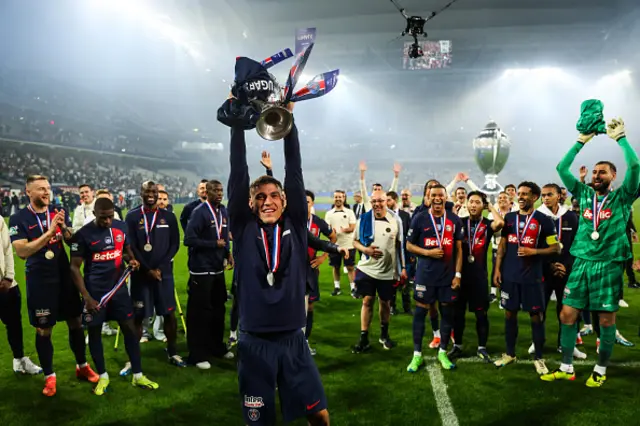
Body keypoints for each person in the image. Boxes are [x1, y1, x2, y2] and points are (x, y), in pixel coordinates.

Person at [228, 113, 329, 425]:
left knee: (319, 416)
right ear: (250, 203)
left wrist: (289, 122)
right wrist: (236, 124)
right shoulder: (243, 228)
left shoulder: (296, 225)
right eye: (259, 197)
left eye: (274, 196)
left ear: (285, 201)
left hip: (293, 341)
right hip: (254, 342)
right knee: (260, 422)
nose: (267, 201)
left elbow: (294, 168)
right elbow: (238, 170)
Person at [542, 118, 639, 387]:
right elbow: (562, 167)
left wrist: (620, 138)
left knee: (606, 320)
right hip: (582, 262)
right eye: (595, 172)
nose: (596, 176)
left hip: (607, 264)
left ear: (613, 177)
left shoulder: (623, 196)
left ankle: (600, 368)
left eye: (602, 173)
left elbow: (635, 165)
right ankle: (566, 367)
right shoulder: (583, 194)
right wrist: (581, 141)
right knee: (567, 315)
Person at [9, 175, 98, 397]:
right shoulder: (18, 218)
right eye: (41, 189)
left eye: (47, 188)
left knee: (76, 322)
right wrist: (49, 232)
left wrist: (66, 231)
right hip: (40, 281)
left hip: (64, 277)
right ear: (28, 192)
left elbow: (69, 240)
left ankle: (82, 366)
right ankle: (50, 376)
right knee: (44, 329)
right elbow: (22, 252)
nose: (46, 192)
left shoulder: (57, 212)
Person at [70, 198, 159, 395]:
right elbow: (74, 268)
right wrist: (86, 297)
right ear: (94, 213)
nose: (107, 221)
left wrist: (133, 261)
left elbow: (127, 252)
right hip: (95, 295)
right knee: (94, 333)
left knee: (129, 329)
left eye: (110, 217)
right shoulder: (83, 235)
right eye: (103, 218)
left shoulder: (121, 227)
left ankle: (138, 374)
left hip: (119, 291)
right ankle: (103, 376)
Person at [493, 181, 560, 375]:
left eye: (525, 194)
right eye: (519, 194)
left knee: (536, 316)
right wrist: (497, 270)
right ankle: (509, 354)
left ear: (535, 197)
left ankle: (539, 358)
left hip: (533, 277)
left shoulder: (544, 220)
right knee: (509, 313)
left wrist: (534, 251)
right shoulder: (510, 218)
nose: (521, 197)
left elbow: (555, 248)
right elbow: (503, 246)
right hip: (510, 276)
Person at [124, 181, 184, 372]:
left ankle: (173, 351)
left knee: (168, 313)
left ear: (159, 194)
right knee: (138, 316)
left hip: (163, 274)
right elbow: (130, 246)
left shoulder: (169, 217)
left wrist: (160, 266)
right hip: (142, 275)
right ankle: (133, 358)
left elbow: (175, 244)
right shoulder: (132, 216)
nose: (151, 194)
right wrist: (148, 268)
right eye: (147, 191)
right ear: (140, 193)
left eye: (154, 191)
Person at [406, 184, 463, 372]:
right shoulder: (420, 218)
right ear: (428, 197)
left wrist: (458, 274)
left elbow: (459, 250)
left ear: (446, 197)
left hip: (447, 277)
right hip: (425, 275)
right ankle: (417, 355)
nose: (437, 198)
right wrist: (427, 252)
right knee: (420, 313)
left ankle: (443, 352)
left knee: (447, 314)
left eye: (441, 195)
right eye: (433, 195)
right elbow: (409, 246)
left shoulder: (454, 220)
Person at [184, 179, 235, 369]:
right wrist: (214, 244)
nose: (219, 193)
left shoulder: (223, 211)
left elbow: (225, 234)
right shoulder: (199, 212)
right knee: (200, 313)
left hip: (217, 268)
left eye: (221, 190)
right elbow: (189, 239)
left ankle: (216, 347)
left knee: (218, 309)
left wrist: (228, 253)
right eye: (215, 190)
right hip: (201, 270)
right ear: (207, 192)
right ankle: (197, 354)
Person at [450, 191, 504, 362]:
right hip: (460, 275)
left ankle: (482, 347)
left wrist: (491, 207)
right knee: (458, 313)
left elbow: (500, 222)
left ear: (483, 205)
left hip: (479, 277)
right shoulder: (460, 222)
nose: (473, 205)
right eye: (470, 202)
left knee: (481, 314)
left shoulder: (488, 225)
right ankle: (457, 345)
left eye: (477, 202)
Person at [352, 189, 406, 353]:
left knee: (385, 303)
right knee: (367, 301)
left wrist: (402, 268)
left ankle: (384, 335)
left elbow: (400, 246)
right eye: (374, 201)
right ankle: (363, 337)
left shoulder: (395, 220)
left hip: (387, 271)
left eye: (380, 201)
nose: (377, 204)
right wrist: (366, 250)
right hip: (367, 268)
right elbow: (354, 242)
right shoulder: (364, 219)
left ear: (386, 201)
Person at [534, 183, 584, 359]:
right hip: (543, 271)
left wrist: (567, 266)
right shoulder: (537, 216)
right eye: (543, 195)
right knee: (539, 308)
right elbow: (534, 245)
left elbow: (577, 245)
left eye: (549, 195)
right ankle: (537, 341)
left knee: (567, 310)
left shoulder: (570, 216)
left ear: (559, 196)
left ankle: (566, 343)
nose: (545, 198)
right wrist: (550, 265)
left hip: (566, 271)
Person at [1, 211, 42, 375]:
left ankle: (19, 359)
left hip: (5, 285)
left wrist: (9, 277)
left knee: (14, 325)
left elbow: (6, 250)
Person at [304, 190, 336, 355]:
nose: (305, 204)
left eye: (308, 201)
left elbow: (333, 237)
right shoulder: (291, 220)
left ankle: (305, 342)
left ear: (312, 204)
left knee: (309, 306)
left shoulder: (317, 222)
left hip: (310, 268)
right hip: (293, 270)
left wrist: (324, 257)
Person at [324, 190, 357, 297]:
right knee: (336, 266)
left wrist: (344, 230)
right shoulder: (329, 214)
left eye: (340, 197)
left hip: (348, 244)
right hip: (334, 245)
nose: (338, 199)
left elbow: (353, 227)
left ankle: (353, 288)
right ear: (333, 199)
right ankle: (337, 287)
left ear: (344, 198)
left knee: (350, 267)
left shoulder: (349, 212)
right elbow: (327, 229)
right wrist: (331, 232)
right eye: (336, 197)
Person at [386, 191, 412, 315]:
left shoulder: (405, 216)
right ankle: (392, 306)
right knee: (392, 281)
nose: (386, 203)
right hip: (390, 254)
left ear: (395, 200)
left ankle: (407, 308)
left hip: (405, 253)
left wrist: (411, 255)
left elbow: (411, 236)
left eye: (389, 200)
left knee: (406, 281)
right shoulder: (385, 216)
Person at [488, 191, 511, 304]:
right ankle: (493, 293)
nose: (502, 199)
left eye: (505, 198)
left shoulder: (514, 214)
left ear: (509, 201)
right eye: (500, 198)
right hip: (497, 247)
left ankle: (504, 295)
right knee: (496, 269)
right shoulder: (491, 214)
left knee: (508, 271)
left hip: (510, 247)